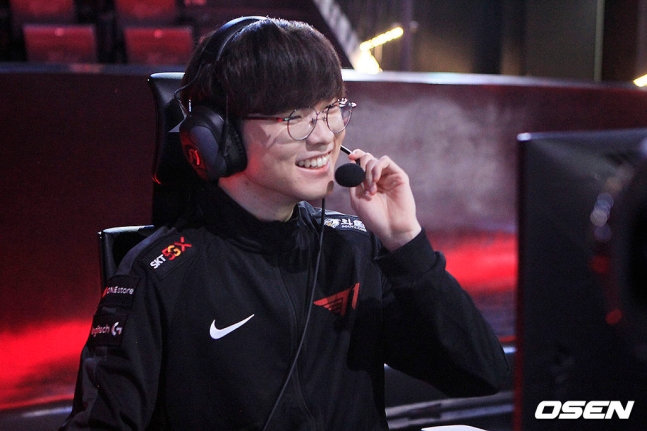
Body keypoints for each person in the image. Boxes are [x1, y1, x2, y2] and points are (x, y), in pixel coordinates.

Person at [60, 16, 509, 431]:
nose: (324, 136)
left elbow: (480, 373)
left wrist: (405, 243)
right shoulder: (161, 276)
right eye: (294, 117)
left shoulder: (352, 250)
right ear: (218, 137)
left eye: (331, 108)